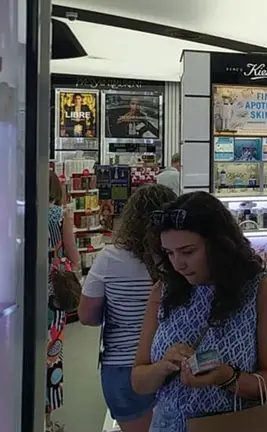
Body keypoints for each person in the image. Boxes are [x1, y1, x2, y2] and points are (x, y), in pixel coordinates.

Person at [131, 192, 267, 431]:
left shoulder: (260, 291)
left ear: (219, 245)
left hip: (233, 424)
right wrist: (162, 367)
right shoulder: (163, 291)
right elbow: (138, 381)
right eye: (169, 253)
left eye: (188, 252)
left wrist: (226, 377)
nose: (178, 264)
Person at [78, 184, 177, 432]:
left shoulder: (109, 259)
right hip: (171, 362)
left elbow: (87, 316)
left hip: (121, 366)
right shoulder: (178, 257)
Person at [46, 170, 81, 432]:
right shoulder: (59, 215)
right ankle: (46, 418)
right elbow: (72, 252)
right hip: (54, 290)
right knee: (52, 352)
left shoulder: (19, 212)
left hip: (23, 289)